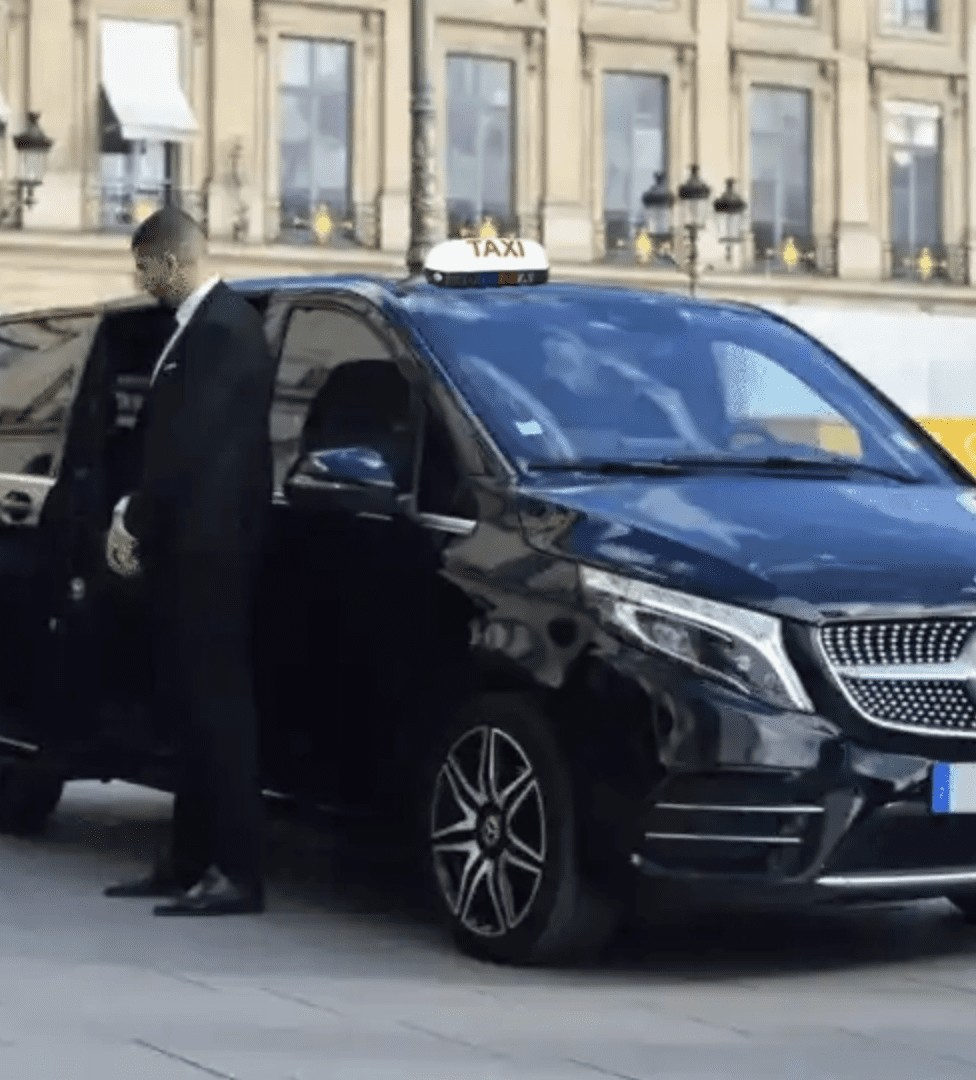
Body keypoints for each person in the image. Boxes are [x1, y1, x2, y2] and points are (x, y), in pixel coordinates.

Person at [103, 206, 275, 916]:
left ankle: (236, 872)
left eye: (143, 266)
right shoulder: (203, 330)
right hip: (193, 555)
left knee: (219, 716)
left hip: (213, 555)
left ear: (169, 262)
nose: (139, 279)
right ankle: (186, 861)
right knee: (188, 711)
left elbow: (189, 446)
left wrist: (133, 515)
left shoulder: (223, 330)